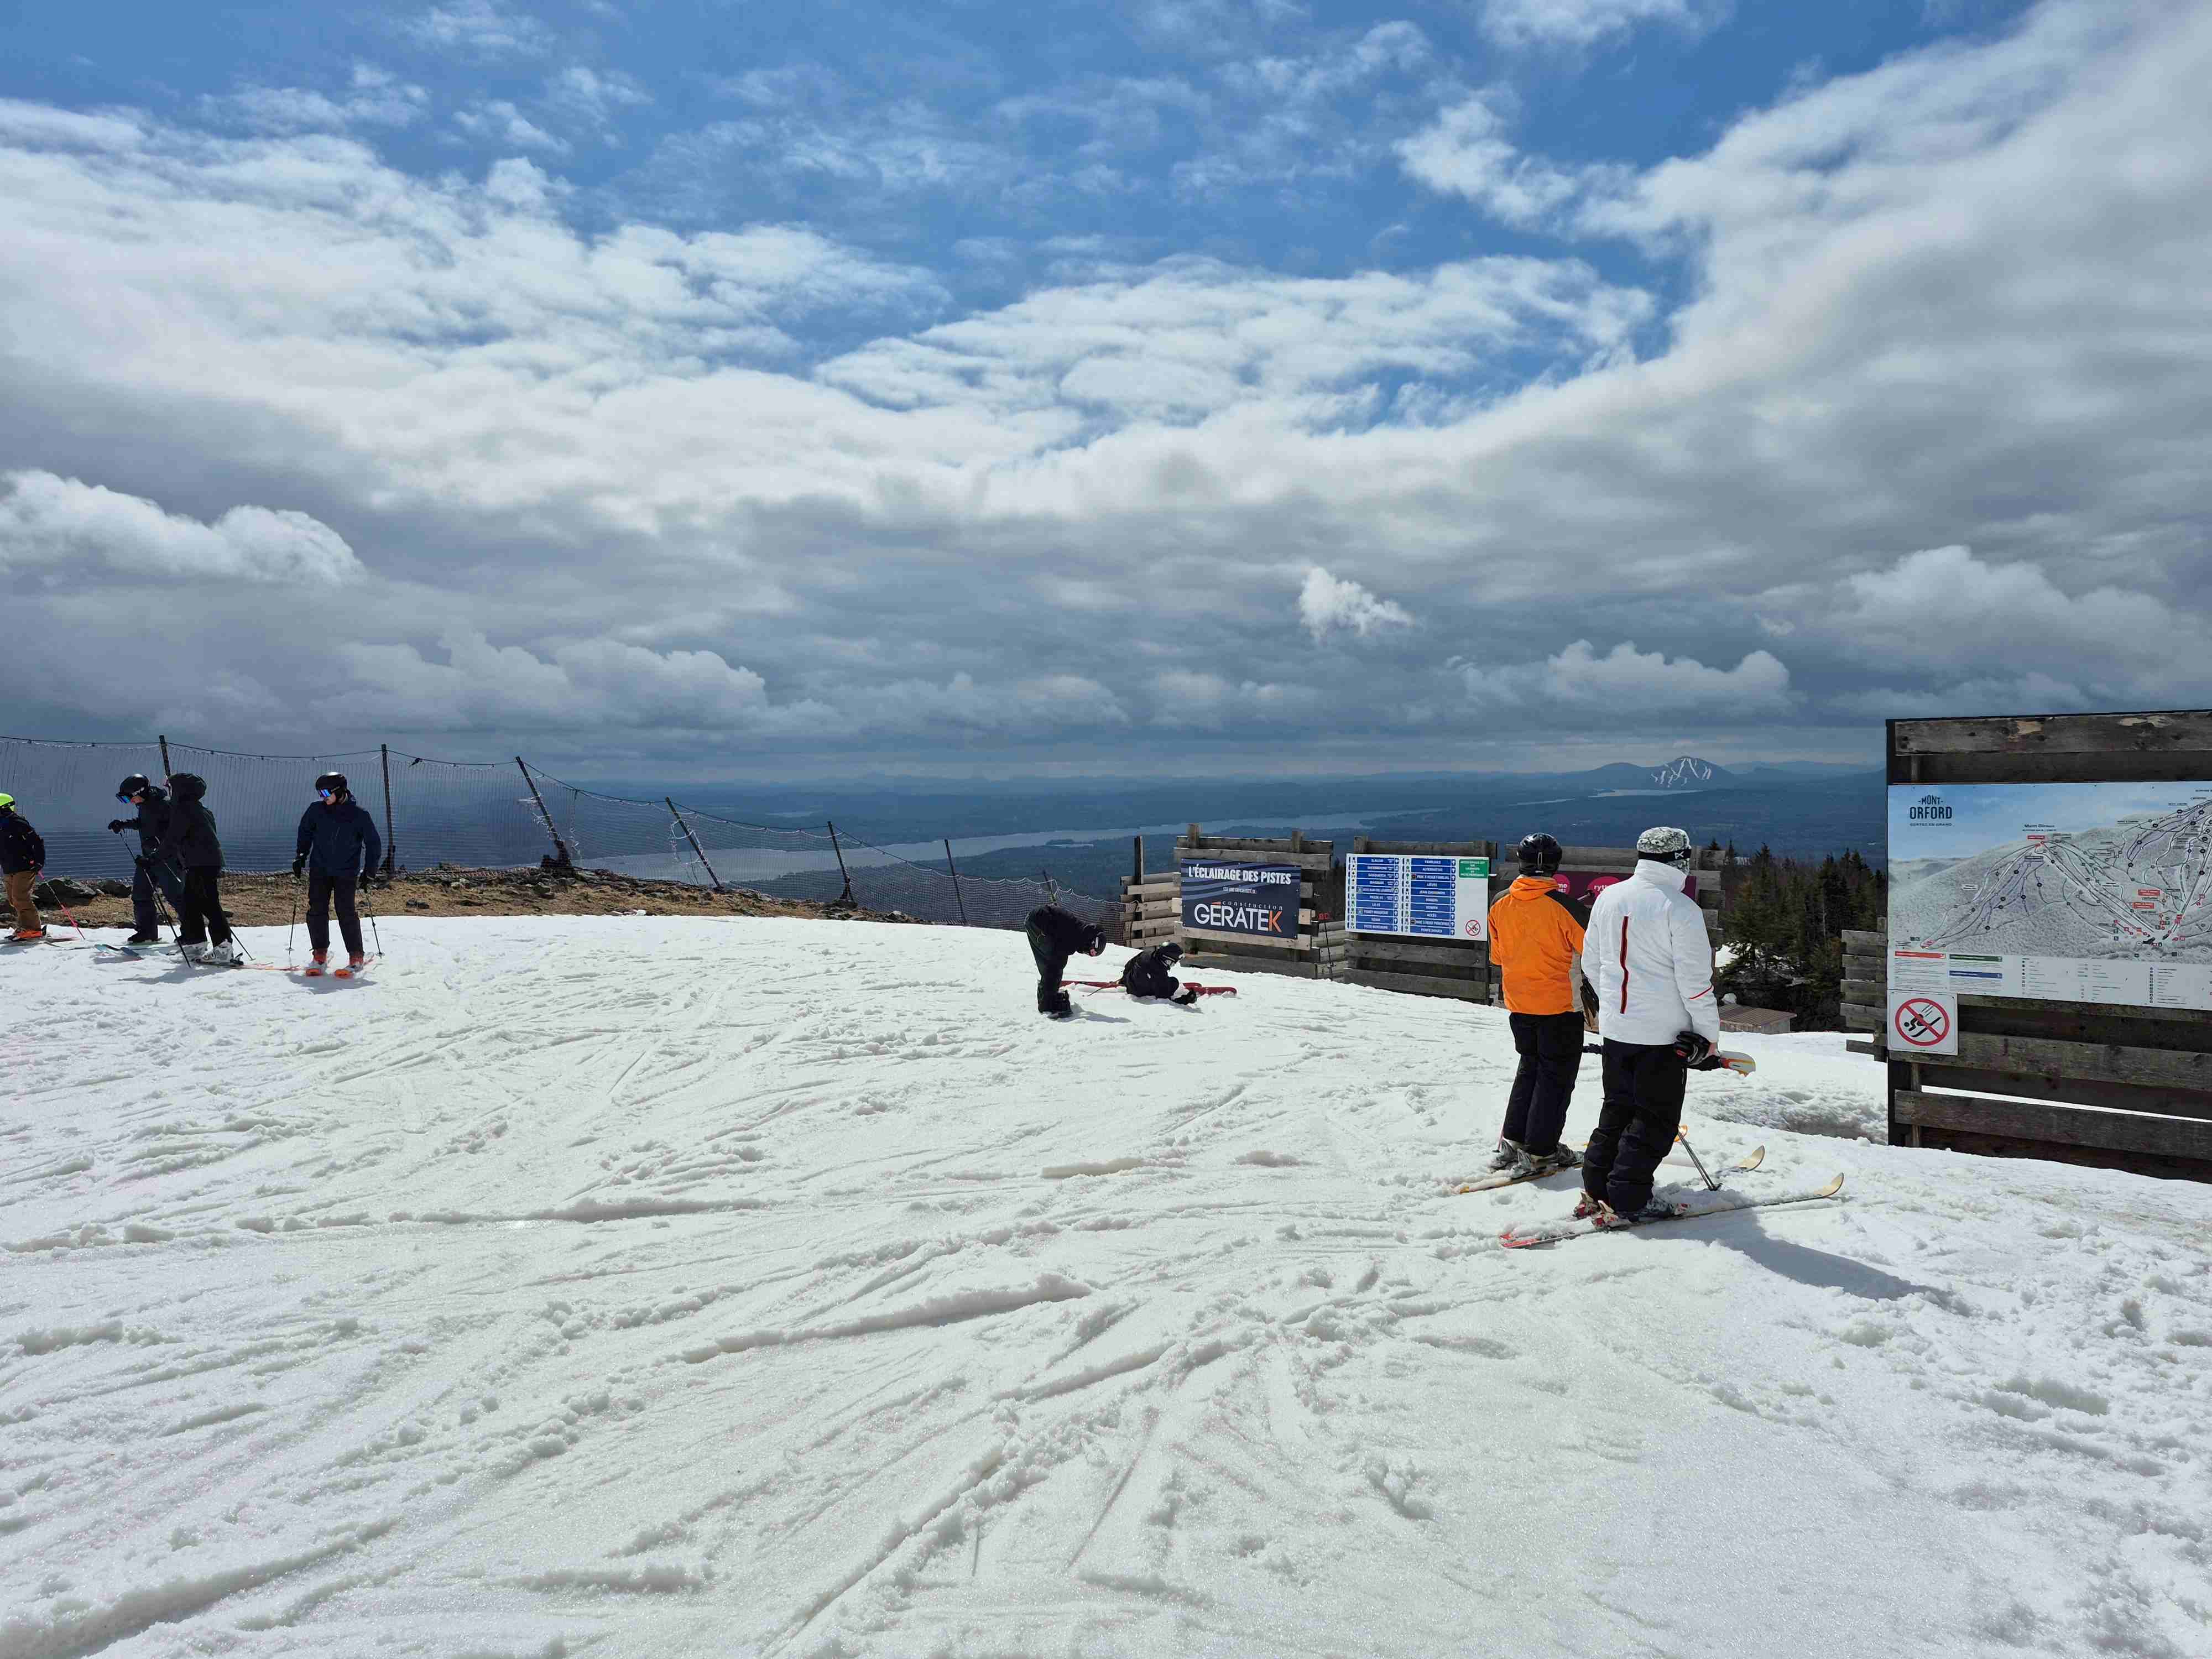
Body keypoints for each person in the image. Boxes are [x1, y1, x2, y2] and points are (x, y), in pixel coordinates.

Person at [1577, 825, 1721, 1224]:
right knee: (1655, 1119)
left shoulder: (1609, 899)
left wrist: (1615, 1006)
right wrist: (1708, 1037)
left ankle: (1597, 1187)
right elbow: (1695, 983)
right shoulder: (1680, 909)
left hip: (1617, 1029)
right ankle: (1630, 1197)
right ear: (1680, 860)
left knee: (1617, 1109)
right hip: (1663, 1035)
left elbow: (1591, 963)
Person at [1483, 832, 1589, 1178]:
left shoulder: (1500, 903)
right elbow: (1594, 953)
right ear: (1556, 865)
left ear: (1521, 863)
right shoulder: (1566, 907)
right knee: (1555, 1078)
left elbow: (1498, 957)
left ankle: (1513, 1140)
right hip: (1560, 1005)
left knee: (1529, 1068)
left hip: (1519, 1002)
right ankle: (1540, 1151)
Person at [292, 772, 382, 975]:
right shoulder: (316, 810)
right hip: (319, 869)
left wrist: (370, 871)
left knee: (346, 911)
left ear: (339, 791)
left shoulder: (359, 815)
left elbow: (374, 844)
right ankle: (320, 954)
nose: (322, 797)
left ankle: (356, 956)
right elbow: (305, 832)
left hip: (346, 872)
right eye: (320, 793)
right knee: (316, 910)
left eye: (325, 793)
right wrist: (301, 855)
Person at [152, 773, 238, 966]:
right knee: (191, 903)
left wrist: (153, 858)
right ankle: (195, 943)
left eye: (170, 788)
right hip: (201, 862)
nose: (169, 792)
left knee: (208, 904)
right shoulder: (200, 810)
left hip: (202, 864)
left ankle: (223, 949)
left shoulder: (184, 810)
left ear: (181, 790)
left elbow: (173, 839)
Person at [109, 774, 185, 945]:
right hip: (148, 859)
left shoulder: (165, 805)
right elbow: (145, 823)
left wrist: (158, 843)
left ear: (140, 792)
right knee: (140, 894)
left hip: (168, 859)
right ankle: (147, 933)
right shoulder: (144, 805)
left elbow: (176, 832)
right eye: (124, 799)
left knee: (176, 897)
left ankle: (191, 934)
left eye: (129, 798)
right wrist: (123, 824)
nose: (129, 802)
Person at [1026, 904, 1105, 1018]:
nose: (1088, 953)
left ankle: (1046, 996)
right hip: (1039, 922)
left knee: (1051, 962)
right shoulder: (1076, 936)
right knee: (1056, 963)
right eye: (1091, 952)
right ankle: (1047, 1005)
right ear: (1092, 942)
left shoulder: (1081, 933)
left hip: (1035, 920)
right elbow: (1058, 960)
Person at [1, 792, 48, 941]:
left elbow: (37, 842)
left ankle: (33, 929)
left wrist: (39, 861)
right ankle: (23, 928)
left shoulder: (18, 823)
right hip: (9, 868)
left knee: (20, 897)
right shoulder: (1, 825)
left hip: (25, 866)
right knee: (13, 899)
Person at [1120, 939, 1199, 1004]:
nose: (1171, 966)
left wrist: (1124, 980)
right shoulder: (1159, 975)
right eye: (1172, 963)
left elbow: (1129, 965)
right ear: (1167, 960)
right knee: (1174, 982)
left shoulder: (1145, 954)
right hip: (1138, 992)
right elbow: (1165, 1000)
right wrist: (1186, 1000)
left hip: (1130, 982)